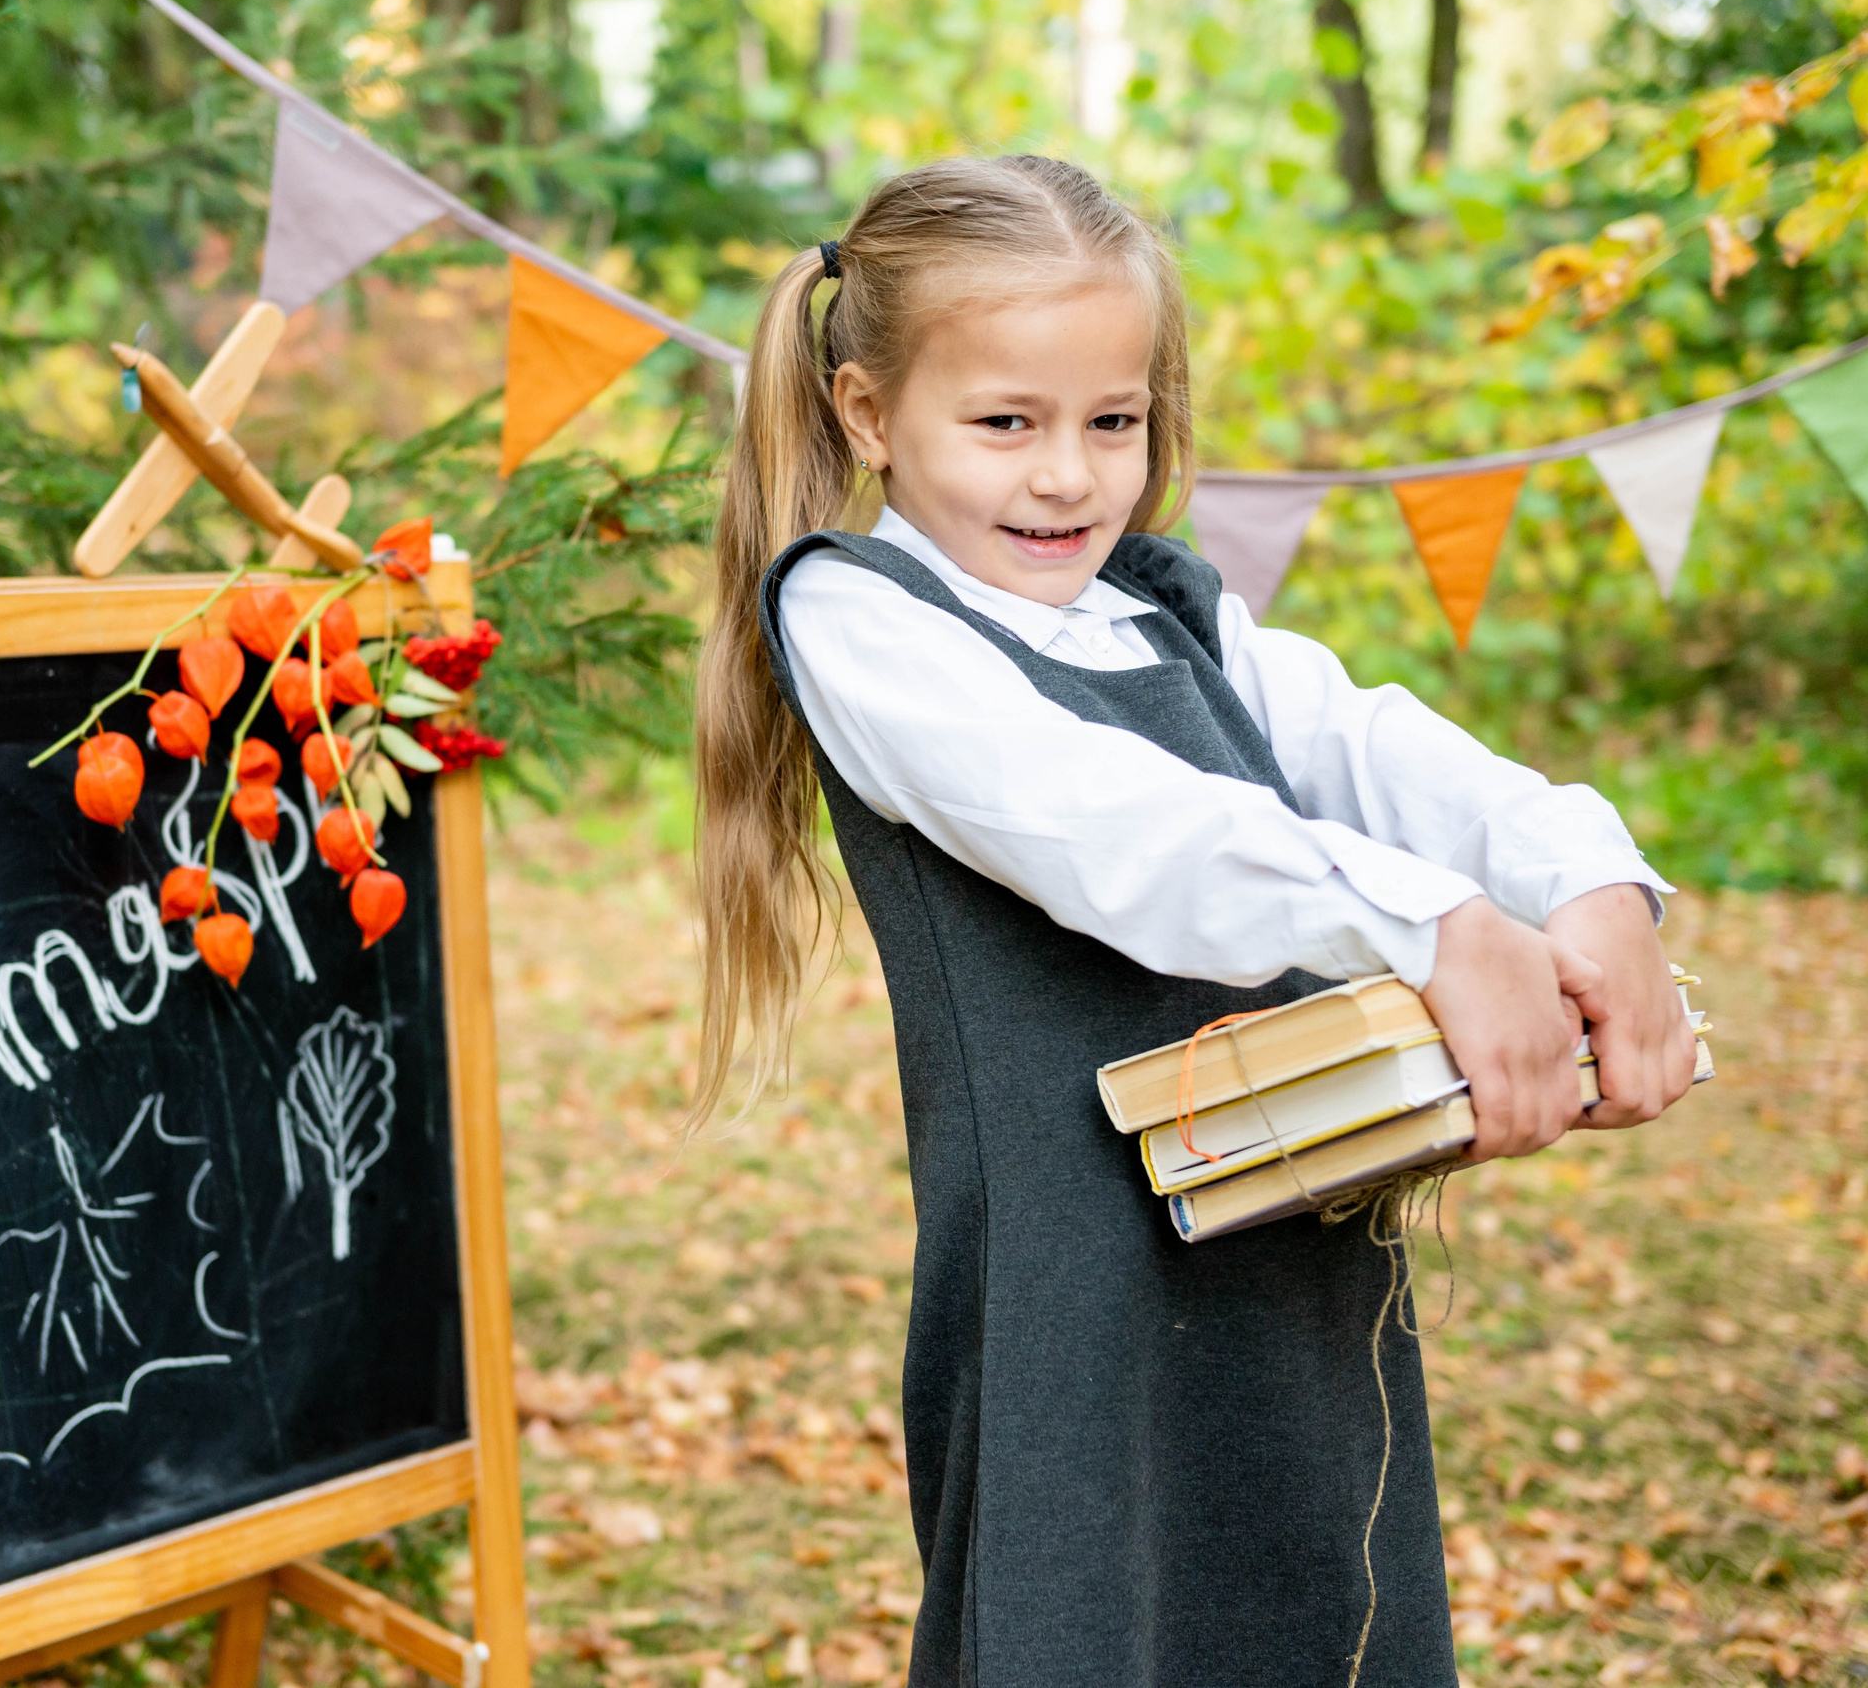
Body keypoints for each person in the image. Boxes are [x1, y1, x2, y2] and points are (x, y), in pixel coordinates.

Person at [689, 155, 1701, 1686]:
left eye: (1114, 422)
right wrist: (1439, 931)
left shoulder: (1167, 608)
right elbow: (1119, 832)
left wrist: (1587, 880)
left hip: (1282, 1240)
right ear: (867, 415)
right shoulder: (861, 621)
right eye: (1006, 423)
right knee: (1084, 1632)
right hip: (1070, 1296)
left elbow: (1375, 746)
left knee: (1302, 1602)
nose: (1069, 477)